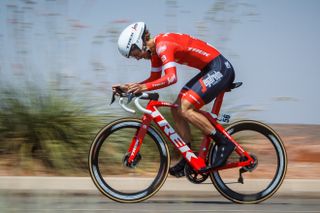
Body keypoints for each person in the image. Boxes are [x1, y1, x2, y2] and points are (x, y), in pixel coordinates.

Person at [113, 22, 236, 178]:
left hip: (220, 69)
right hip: (210, 69)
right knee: (176, 109)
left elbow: (171, 78)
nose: (136, 58)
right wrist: (129, 87)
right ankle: (188, 157)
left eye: (134, 53)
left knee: (184, 108)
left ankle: (224, 142)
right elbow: (155, 78)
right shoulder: (156, 51)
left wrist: (142, 88)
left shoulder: (163, 46)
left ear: (138, 42)